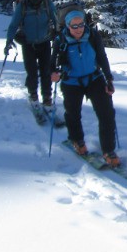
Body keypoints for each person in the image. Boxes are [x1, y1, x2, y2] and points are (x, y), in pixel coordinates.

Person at [50, 9, 119, 166]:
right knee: (73, 114)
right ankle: (77, 140)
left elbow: (102, 57)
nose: (78, 28)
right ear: (68, 26)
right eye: (74, 26)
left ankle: (108, 149)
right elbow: (52, 63)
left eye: (81, 24)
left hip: (94, 78)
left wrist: (108, 78)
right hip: (71, 81)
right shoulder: (61, 40)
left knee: (107, 114)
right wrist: (53, 73)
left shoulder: (93, 36)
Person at [5, 0, 58, 107]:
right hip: (28, 43)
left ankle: (47, 97)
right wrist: (9, 41)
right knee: (32, 72)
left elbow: (56, 21)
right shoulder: (23, 5)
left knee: (46, 71)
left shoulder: (47, 3)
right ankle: (33, 95)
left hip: (44, 42)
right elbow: (13, 24)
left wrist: (59, 34)